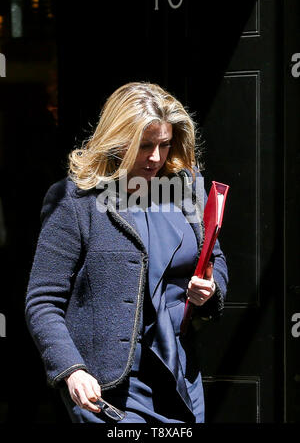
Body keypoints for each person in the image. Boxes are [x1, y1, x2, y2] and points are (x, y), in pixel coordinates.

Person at [25, 82, 228, 423]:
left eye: (164, 145)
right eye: (144, 145)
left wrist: (210, 288)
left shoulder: (186, 187)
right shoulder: (76, 201)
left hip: (178, 375)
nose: (155, 157)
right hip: (109, 387)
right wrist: (71, 370)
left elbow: (214, 258)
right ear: (118, 142)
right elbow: (42, 301)